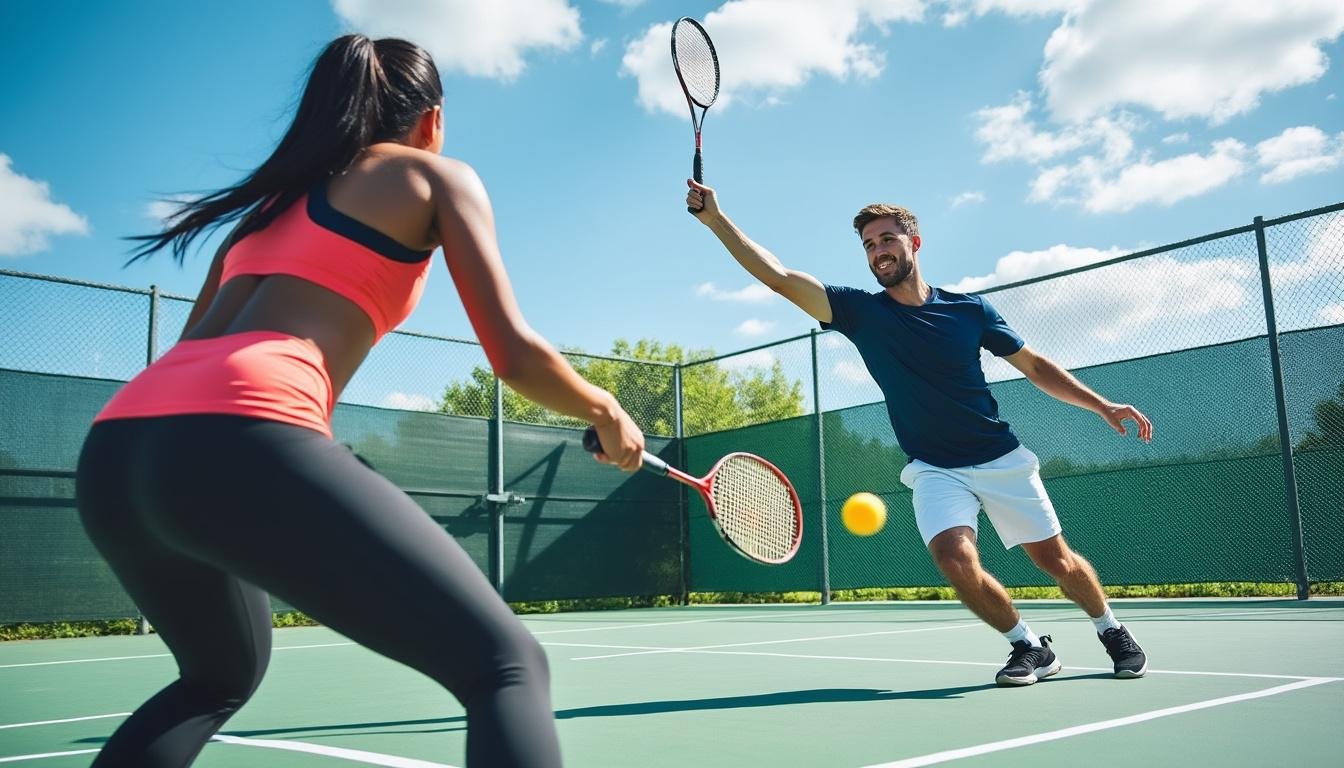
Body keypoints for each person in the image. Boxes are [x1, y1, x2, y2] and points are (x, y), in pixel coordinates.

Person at [75, 34, 644, 768]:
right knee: (506, 666)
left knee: (218, 675)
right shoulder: (433, 177)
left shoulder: (260, 215)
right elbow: (512, 354)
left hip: (119, 448)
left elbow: (191, 361)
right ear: (430, 121)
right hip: (241, 428)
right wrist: (605, 408)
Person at [684, 179, 1151, 687]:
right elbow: (777, 277)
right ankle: (1028, 646)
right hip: (933, 466)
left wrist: (1101, 404)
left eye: (886, 239)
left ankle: (1111, 629)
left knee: (1055, 560)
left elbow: (1034, 366)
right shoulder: (860, 312)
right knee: (954, 557)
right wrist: (716, 221)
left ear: (914, 242)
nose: (877, 251)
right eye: (868, 245)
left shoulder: (970, 311)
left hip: (999, 457)